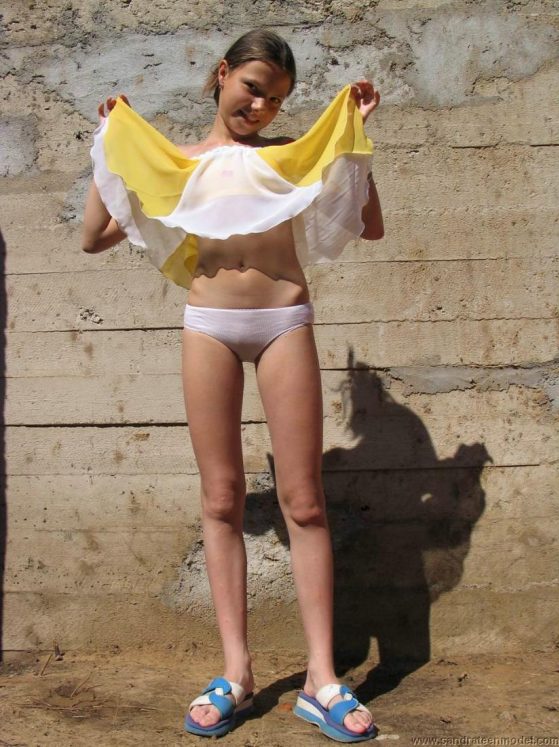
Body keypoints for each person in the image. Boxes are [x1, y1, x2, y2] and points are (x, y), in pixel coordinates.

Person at [82, 28, 384, 743]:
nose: (261, 107)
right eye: (252, 88)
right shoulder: (177, 164)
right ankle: (237, 673)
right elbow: (95, 235)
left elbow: (369, 225)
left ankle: (321, 678)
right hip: (208, 327)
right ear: (222, 75)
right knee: (221, 499)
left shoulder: (289, 159)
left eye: (276, 99)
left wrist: (351, 143)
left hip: (284, 322)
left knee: (303, 500)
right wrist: (111, 145)